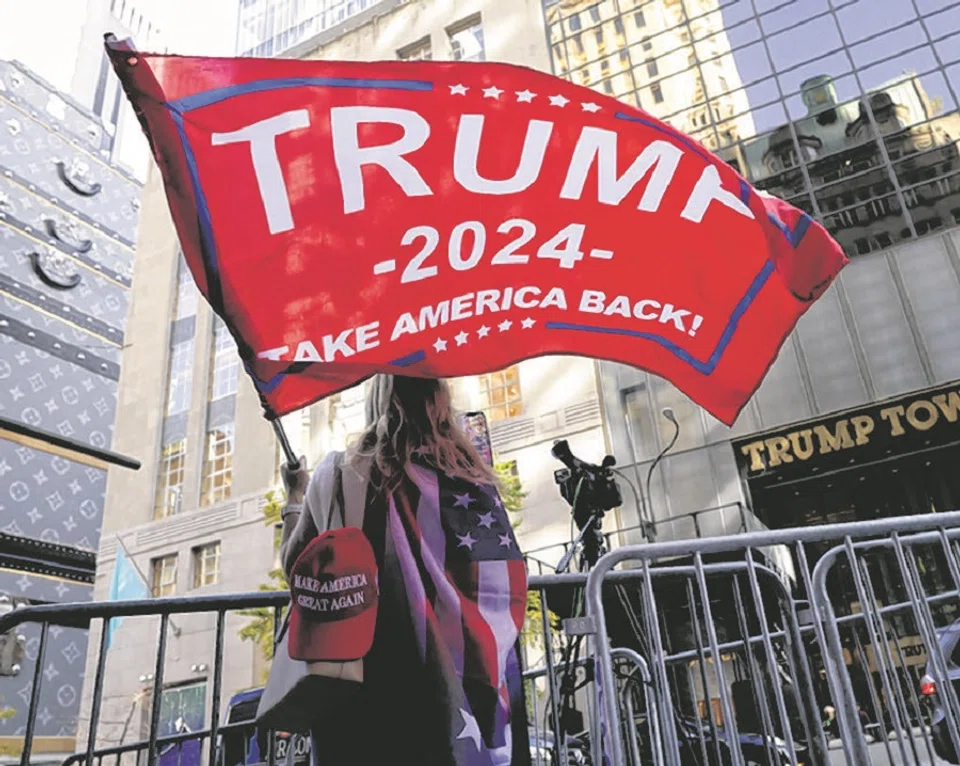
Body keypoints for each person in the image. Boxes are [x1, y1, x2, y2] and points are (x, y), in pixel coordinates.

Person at [279, 375, 530, 766]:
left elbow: (297, 568)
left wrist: (295, 495)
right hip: (446, 686)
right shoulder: (469, 475)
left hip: (357, 679)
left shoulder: (336, 475)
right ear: (440, 399)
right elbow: (500, 579)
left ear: (376, 399)